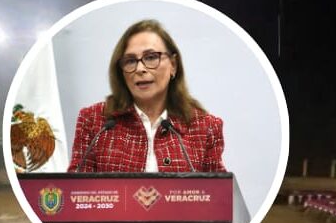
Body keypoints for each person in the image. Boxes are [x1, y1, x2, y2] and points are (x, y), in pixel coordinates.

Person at [68, 19, 226, 173]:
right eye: (130, 61)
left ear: (173, 65)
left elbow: (219, 195)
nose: (140, 68)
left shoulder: (205, 127)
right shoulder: (94, 121)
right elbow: (75, 192)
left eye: (151, 57)